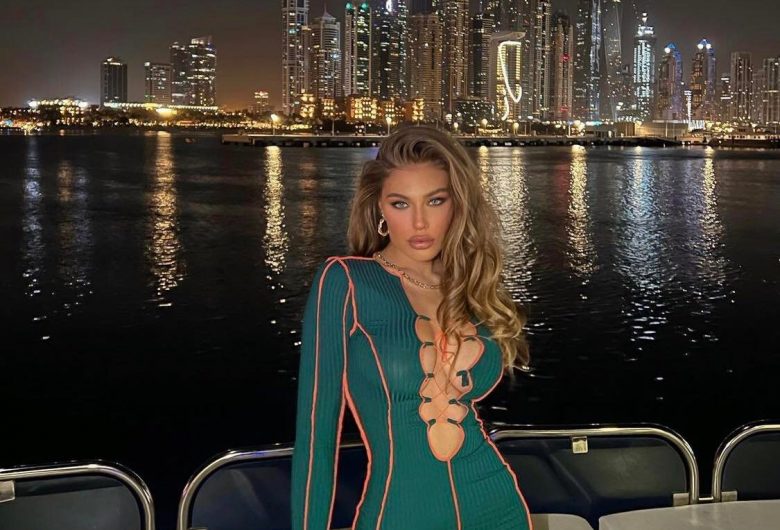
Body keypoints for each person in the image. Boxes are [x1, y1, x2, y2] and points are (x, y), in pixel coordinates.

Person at [291, 125, 532, 530]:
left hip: (498, 508)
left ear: (456, 205)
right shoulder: (346, 282)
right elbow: (316, 436)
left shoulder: (469, 287)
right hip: (399, 513)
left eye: (435, 201)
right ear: (379, 209)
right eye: (400, 204)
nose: (420, 222)